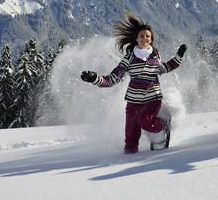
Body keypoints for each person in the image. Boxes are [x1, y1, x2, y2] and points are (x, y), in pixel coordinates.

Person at [80, 12, 187, 153]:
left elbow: (166, 67)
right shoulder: (130, 58)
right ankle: (129, 159)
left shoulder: (155, 57)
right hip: (133, 101)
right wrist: (95, 78)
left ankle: (163, 125)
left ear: (151, 40)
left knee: (146, 120)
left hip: (152, 99)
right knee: (130, 138)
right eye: (142, 36)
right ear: (136, 39)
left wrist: (179, 56)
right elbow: (112, 79)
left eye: (147, 36)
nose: (144, 38)